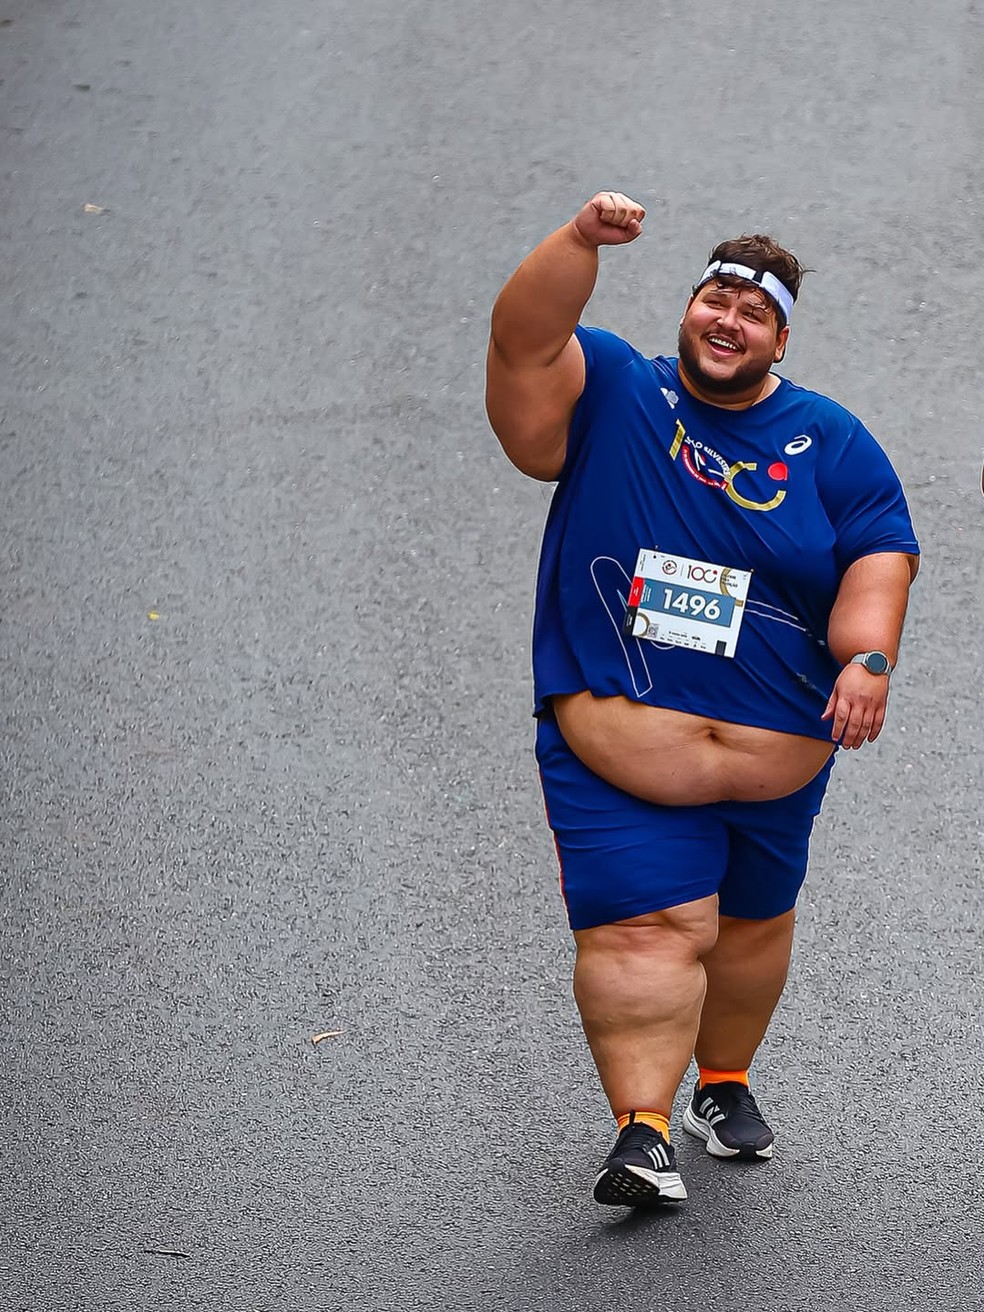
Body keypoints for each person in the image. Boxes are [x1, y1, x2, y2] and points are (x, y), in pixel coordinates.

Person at [485, 191, 919, 1208]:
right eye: (715, 298)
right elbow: (523, 340)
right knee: (650, 928)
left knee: (753, 927)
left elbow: (879, 552)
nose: (729, 319)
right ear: (687, 309)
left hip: (777, 755)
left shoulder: (828, 438)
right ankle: (640, 1130)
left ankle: (721, 1086)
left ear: (780, 339)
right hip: (621, 747)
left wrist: (867, 660)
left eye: (754, 312)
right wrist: (580, 242)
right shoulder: (618, 394)